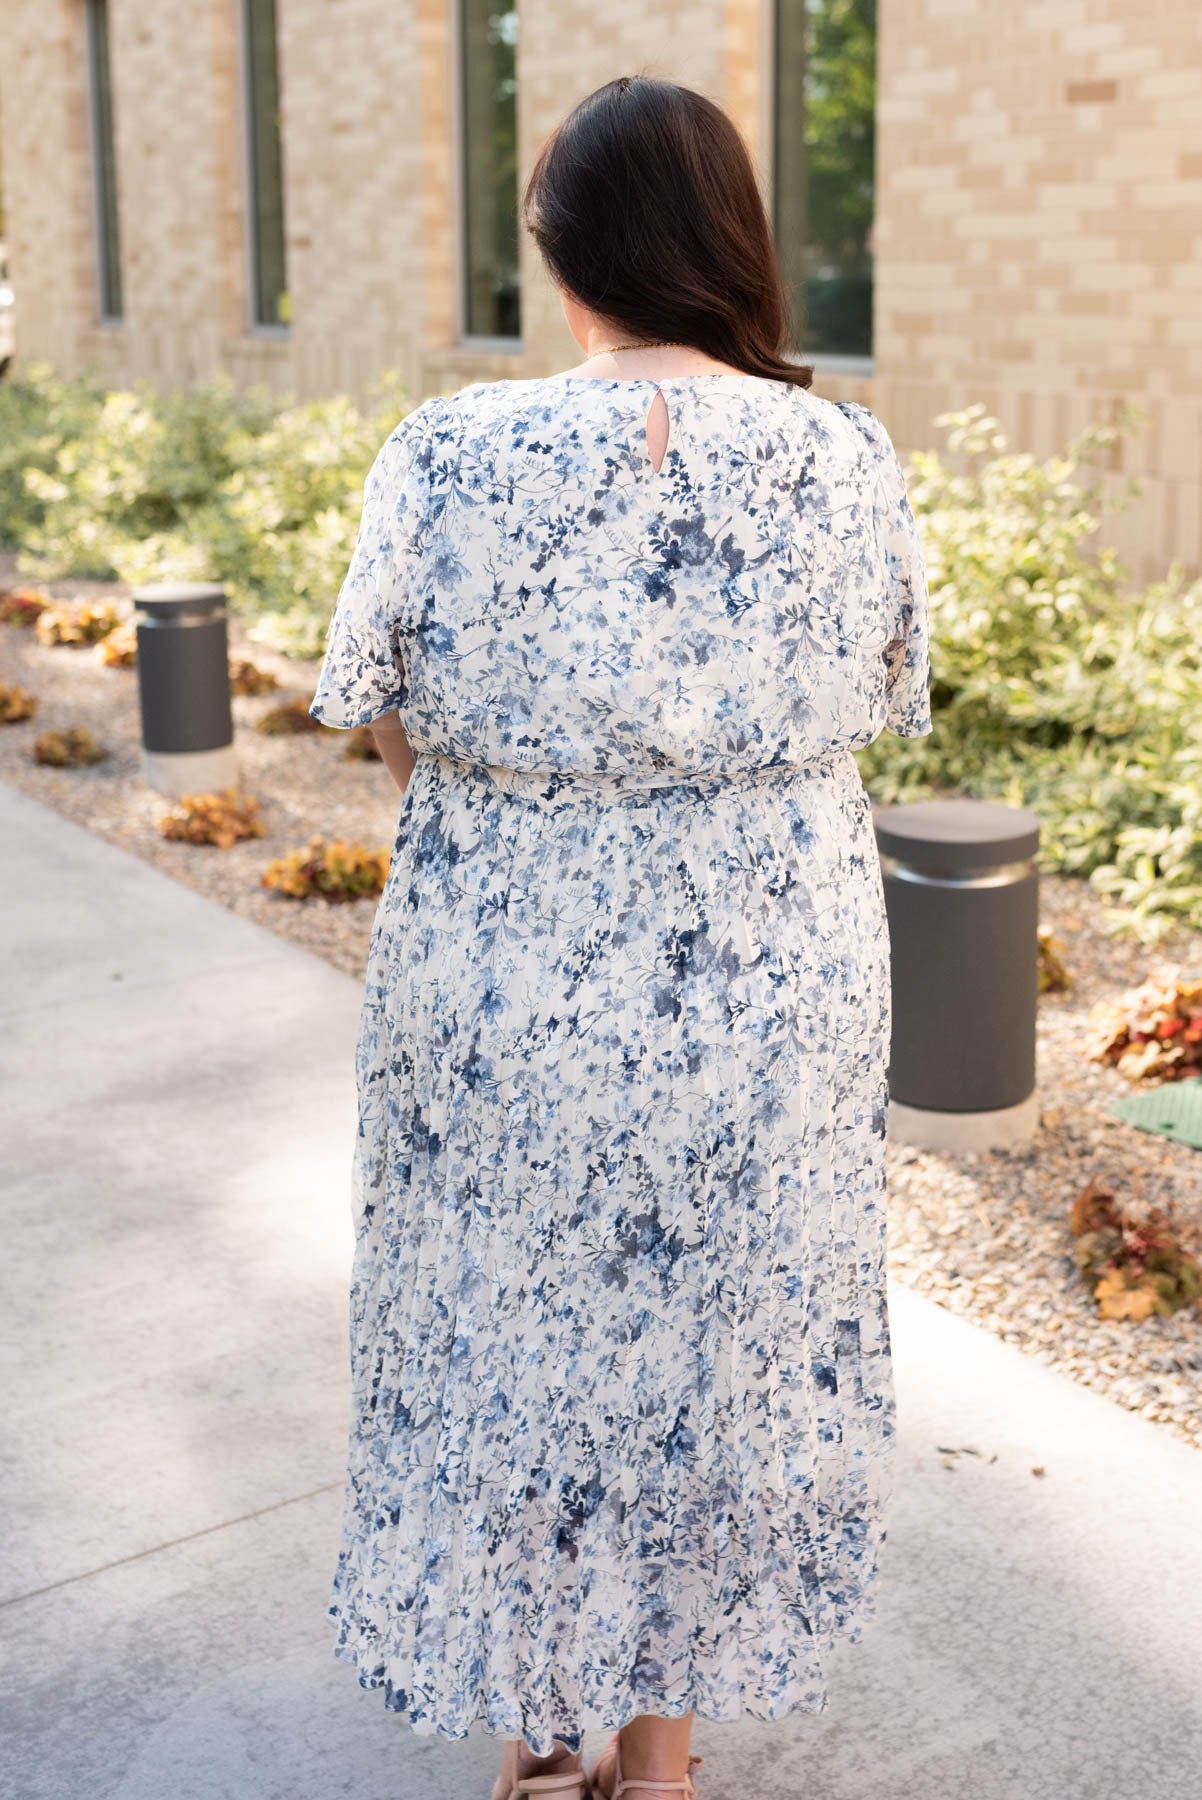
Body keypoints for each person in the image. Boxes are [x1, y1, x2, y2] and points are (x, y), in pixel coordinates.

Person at [309, 72, 932, 1800]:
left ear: (559, 248)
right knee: (719, 1353)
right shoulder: (842, 453)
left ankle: (535, 1744)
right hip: (771, 984)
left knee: (507, 1335)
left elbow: (379, 716)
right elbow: (883, 698)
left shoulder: (448, 449)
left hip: (507, 974)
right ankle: (655, 1762)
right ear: (728, 244)